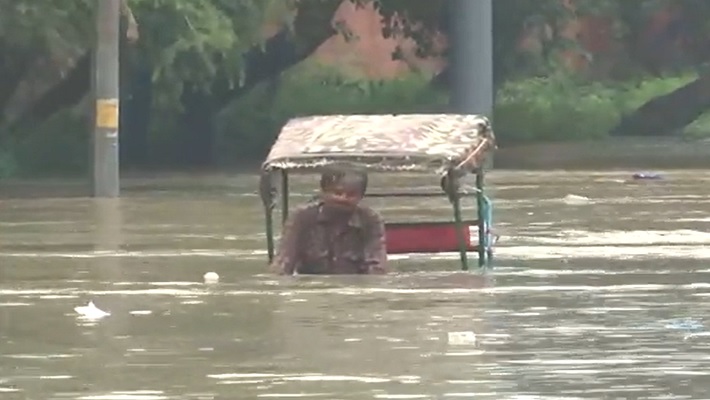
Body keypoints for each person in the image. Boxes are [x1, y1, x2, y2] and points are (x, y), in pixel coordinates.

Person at [270, 165, 387, 275]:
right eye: (337, 193)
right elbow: (284, 262)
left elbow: (376, 266)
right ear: (323, 192)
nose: (343, 198)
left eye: (351, 195)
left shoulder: (369, 219)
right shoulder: (302, 217)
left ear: (361, 197)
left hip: (354, 286)